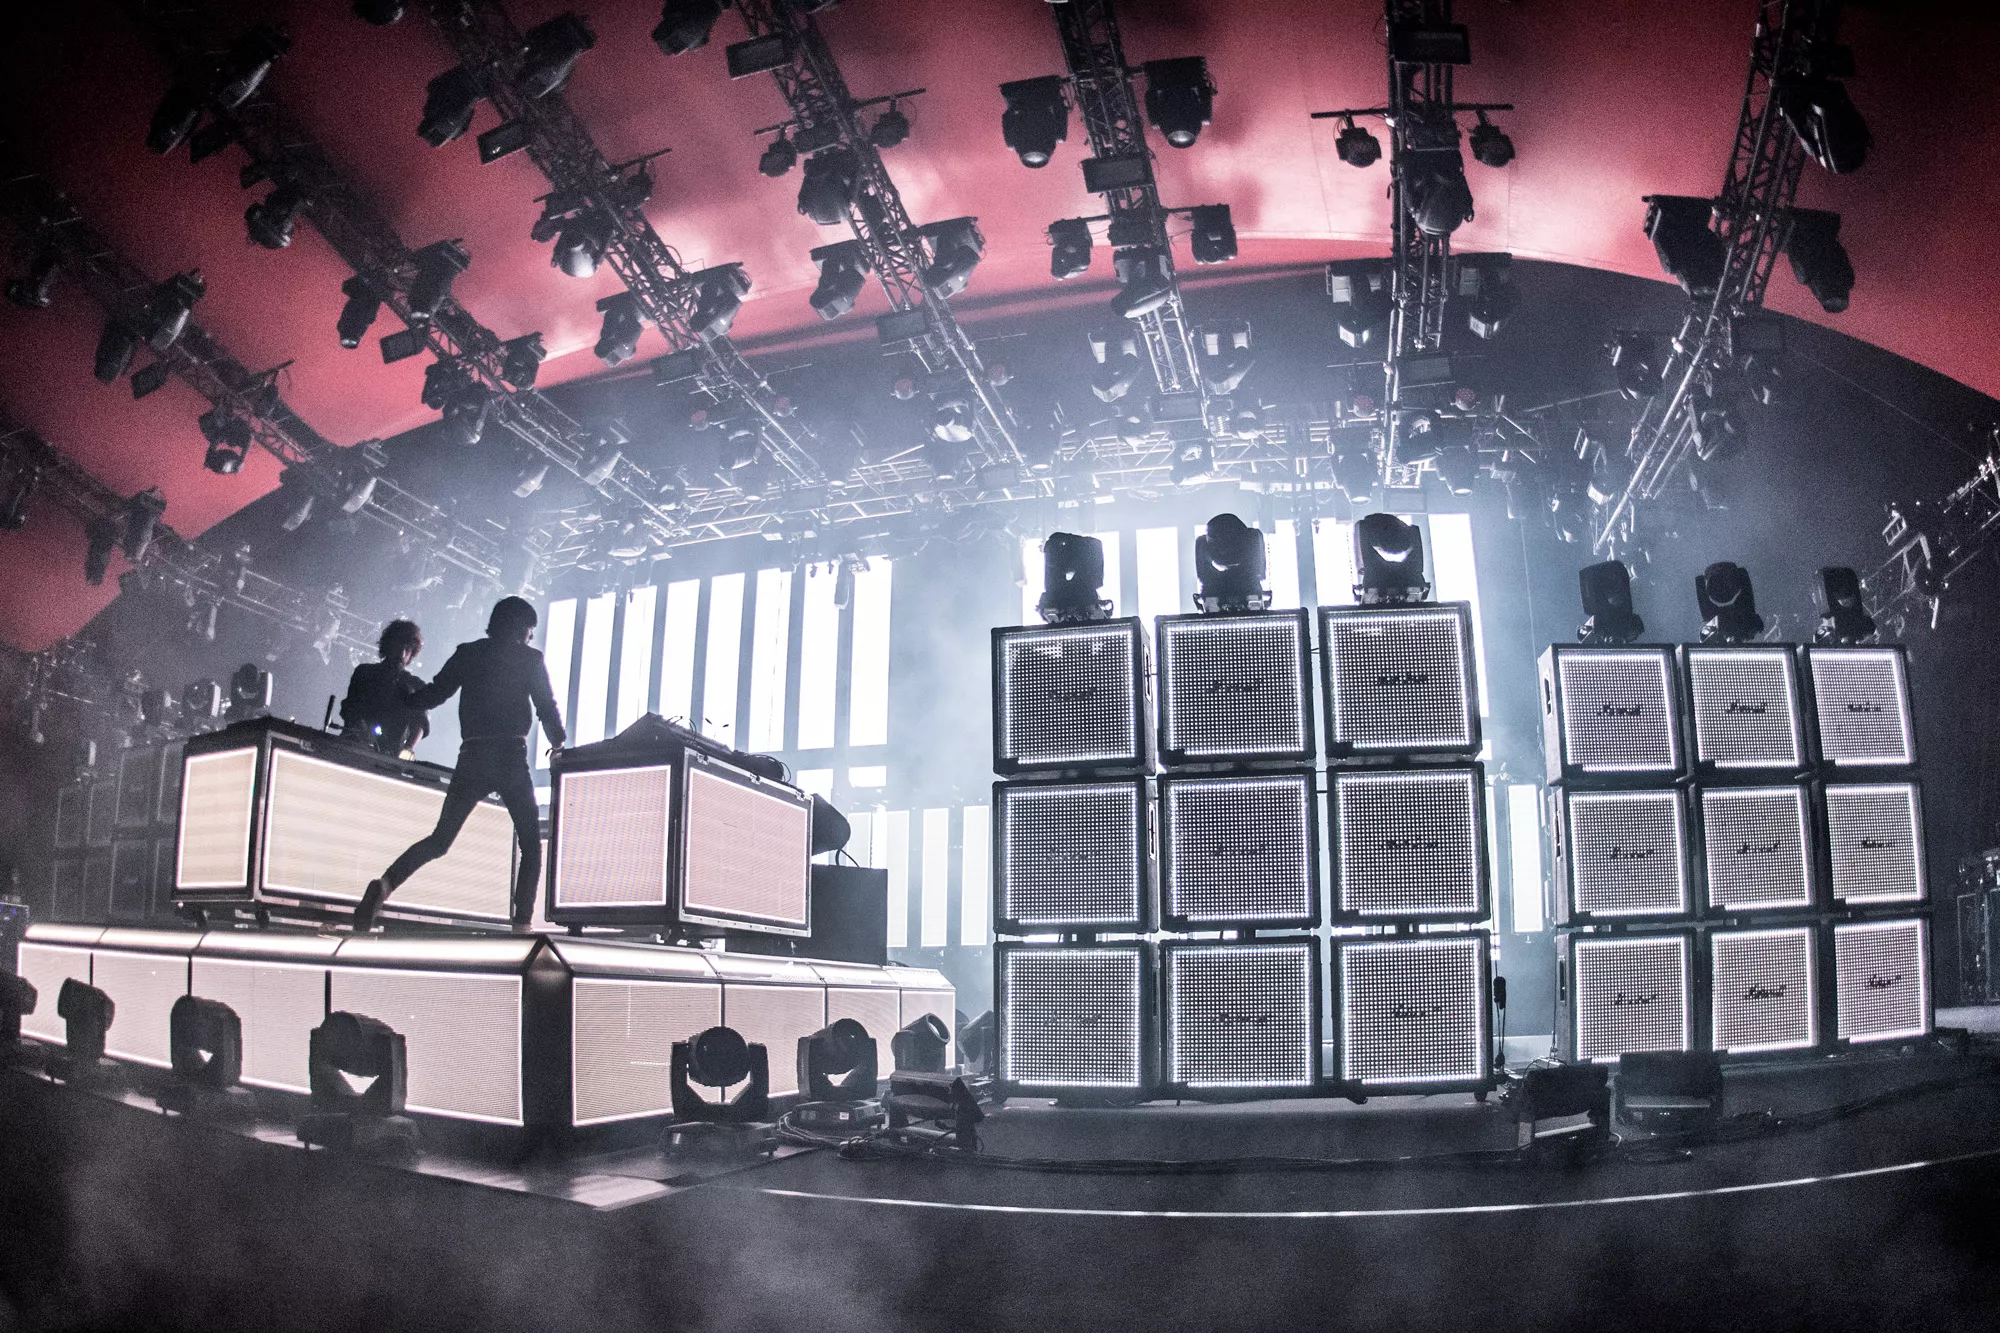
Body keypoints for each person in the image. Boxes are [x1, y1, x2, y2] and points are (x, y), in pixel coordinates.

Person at [354, 596, 565, 931]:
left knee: (440, 840)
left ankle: (385, 885)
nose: (530, 637)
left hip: (472, 756)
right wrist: (559, 742)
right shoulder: (530, 659)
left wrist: (404, 699)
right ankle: (522, 924)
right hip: (510, 757)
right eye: (529, 630)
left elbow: (436, 693)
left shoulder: (469, 653)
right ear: (520, 628)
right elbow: (546, 706)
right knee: (530, 844)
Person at [339, 619, 430, 757]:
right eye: (399, 647)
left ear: (412, 654)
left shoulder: (415, 685)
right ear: (389, 645)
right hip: (352, 748)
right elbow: (351, 708)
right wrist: (363, 733)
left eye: (407, 649)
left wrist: (408, 749)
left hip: (390, 756)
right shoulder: (364, 672)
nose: (402, 654)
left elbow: (421, 723)